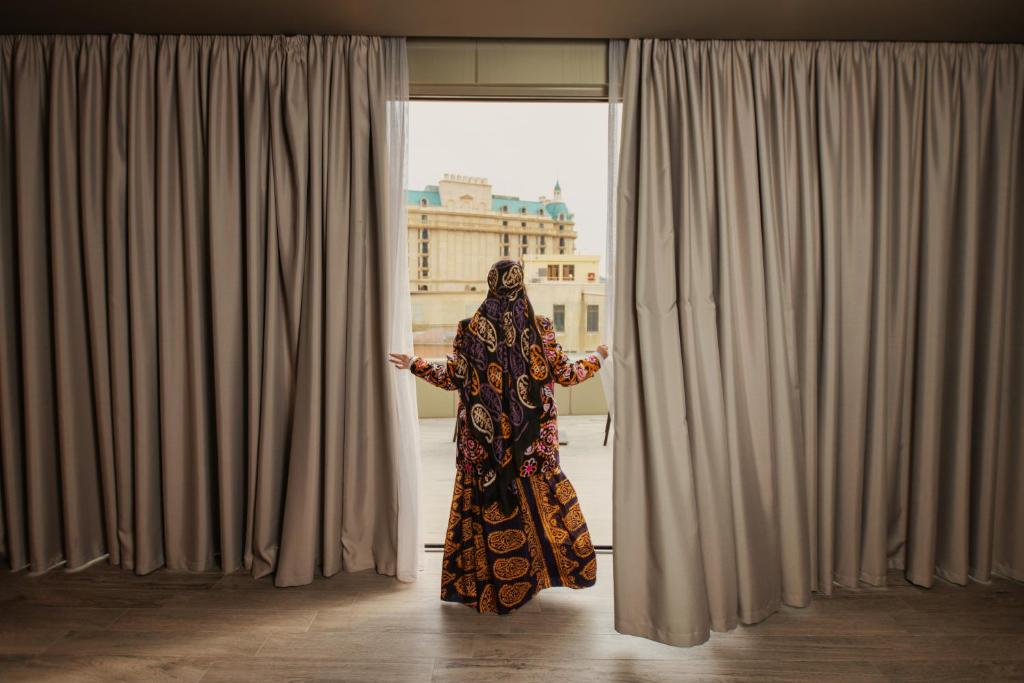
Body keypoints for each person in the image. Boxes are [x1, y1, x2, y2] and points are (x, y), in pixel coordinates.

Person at [389, 258, 608, 614]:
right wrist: (597, 357)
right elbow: (566, 374)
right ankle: (535, 579)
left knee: (487, 509)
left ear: (490, 285)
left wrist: (416, 363)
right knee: (539, 509)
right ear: (521, 285)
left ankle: (494, 590)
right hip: (533, 444)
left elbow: (453, 378)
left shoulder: (469, 329)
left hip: (483, 447)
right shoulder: (540, 328)